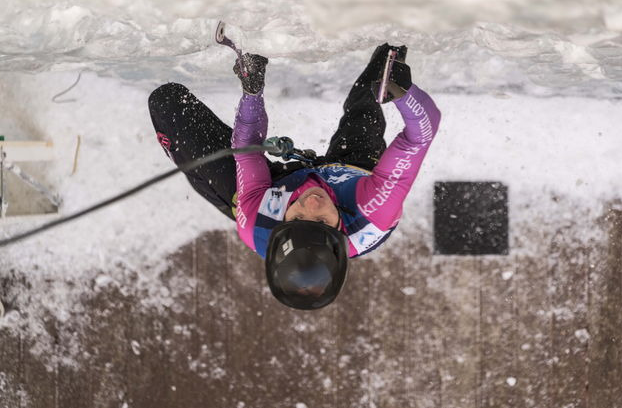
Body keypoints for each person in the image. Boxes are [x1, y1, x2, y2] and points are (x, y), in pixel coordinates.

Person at [148, 44, 441, 310]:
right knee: (367, 100)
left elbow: (247, 148)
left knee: (167, 102)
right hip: (352, 174)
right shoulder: (373, 210)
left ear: (280, 226)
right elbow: (419, 138)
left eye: (298, 218)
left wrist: (252, 92)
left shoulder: (256, 221)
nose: (312, 205)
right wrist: (404, 92)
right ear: (341, 230)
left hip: (278, 185)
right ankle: (392, 46)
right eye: (323, 221)